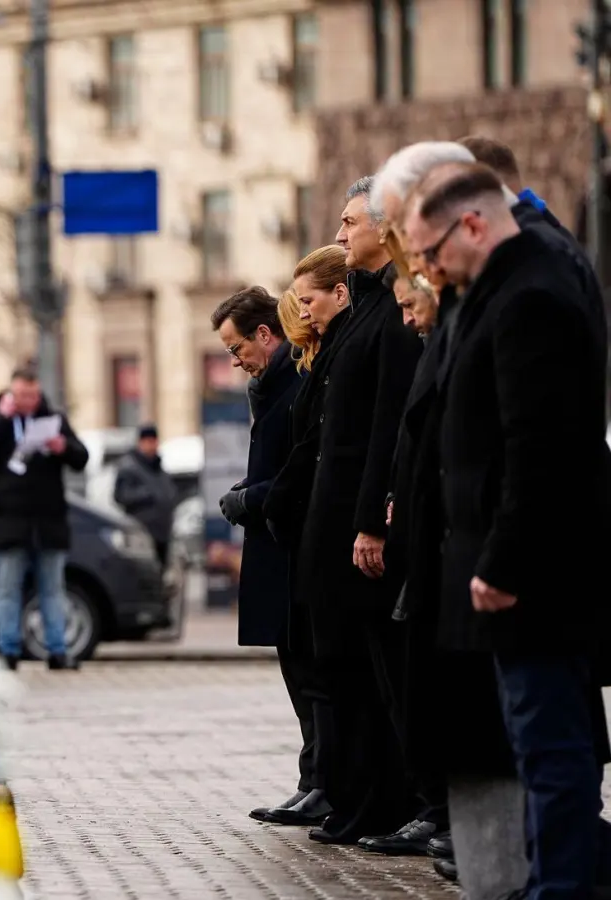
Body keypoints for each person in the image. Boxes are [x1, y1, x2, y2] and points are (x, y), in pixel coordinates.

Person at [404, 161, 611, 900]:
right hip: (522, 571)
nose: (428, 271)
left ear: (474, 223)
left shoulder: (530, 294)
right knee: (537, 745)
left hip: (536, 579)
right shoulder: (504, 286)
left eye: (430, 253)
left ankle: (561, 889)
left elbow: (541, 448)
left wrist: (503, 563)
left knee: (551, 750)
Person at [267, 221, 426, 849]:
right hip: (328, 519)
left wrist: (369, 519)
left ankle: (385, 799)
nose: (341, 229)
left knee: (368, 675)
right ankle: (355, 796)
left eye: (351, 220)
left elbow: (382, 425)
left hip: (354, 520)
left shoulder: (382, 316)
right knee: (337, 669)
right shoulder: (362, 318)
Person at [211, 286, 323, 827]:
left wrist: (250, 498)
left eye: (238, 349)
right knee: (296, 669)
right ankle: (313, 779)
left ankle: (323, 781)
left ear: (264, 333)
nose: (236, 363)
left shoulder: (296, 381)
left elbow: (301, 469)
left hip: (295, 545)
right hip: (277, 542)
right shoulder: (271, 385)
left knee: (312, 671)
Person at [0, 365, 89, 670]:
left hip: (48, 523)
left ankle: (58, 650)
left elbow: (81, 457)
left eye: (32, 395)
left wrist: (63, 447)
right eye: (21, 395)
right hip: (8, 522)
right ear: (11, 392)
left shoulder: (54, 420)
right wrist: (0, 419)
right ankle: (8, 650)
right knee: (7, 589)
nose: (27, 401)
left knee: (52, 589)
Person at [112, 425, 175, 564]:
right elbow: (121, 496)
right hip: (141, 534)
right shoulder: (129, 467)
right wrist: (148, 495)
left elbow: (168, 493)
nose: (152, 445)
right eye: (148, 441)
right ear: (140, 443)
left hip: (162, 534)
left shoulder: (159, 468)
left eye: (154, 441)